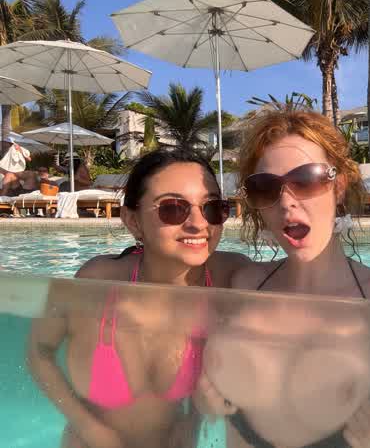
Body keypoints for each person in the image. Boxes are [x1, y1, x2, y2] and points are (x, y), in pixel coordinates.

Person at [195, 110, 370, 448]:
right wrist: (204, 404)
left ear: (339, 187)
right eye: (265, 188)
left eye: (306, 180)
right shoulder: (244, 284)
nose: (286, 202)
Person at [27, 149, 251, 448]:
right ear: (132, 220)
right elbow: (39, 352)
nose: (199, 224)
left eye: (212, 207)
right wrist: (89, 428)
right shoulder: (97, 281)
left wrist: (194, 420)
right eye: (173, 208)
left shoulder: (230, 276)